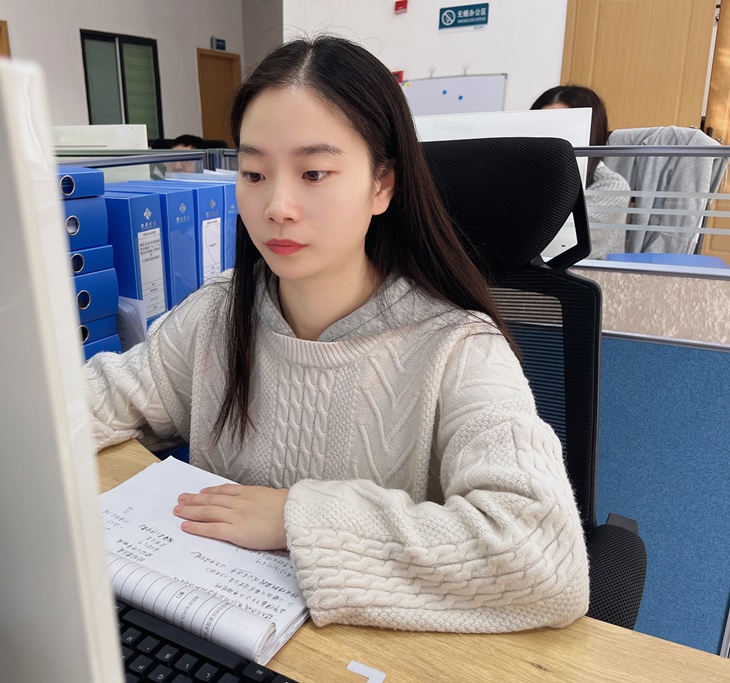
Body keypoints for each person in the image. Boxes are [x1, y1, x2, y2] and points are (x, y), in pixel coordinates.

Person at [86, 36, 589, 634]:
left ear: (382, 185)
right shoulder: (219, 313)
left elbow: (544, 558)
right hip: (218, 626)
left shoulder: (458, 347)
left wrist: (294, 519)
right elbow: (101, 399)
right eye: (254, 173)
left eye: (314, 173)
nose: (277, 205)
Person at [530, 85, 630, 259]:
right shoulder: (531, 175)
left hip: (579, 273)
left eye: (559, 127)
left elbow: (561, 246)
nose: (548, 136)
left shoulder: (611, 186)